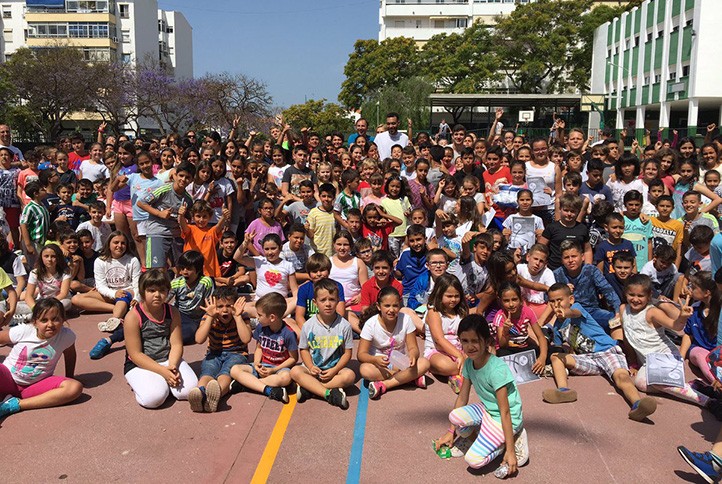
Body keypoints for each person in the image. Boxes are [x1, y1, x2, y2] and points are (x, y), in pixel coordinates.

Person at [539, 283, 657, 422]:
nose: (556, 304)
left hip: (607, 351)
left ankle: (637, 404)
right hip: (589, 359)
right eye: (552, 301)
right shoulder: (557, 326)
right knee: (556, 357)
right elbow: (563, 346)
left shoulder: (576, 308)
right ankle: (564, 391)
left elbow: (573, 313)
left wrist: (565, 313)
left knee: (621, 377)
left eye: (560, 300)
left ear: (570, 300)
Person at [433, 314, 528, 476]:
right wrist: (450, 432)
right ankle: (488, 436)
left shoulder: (496, 370)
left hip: (507, 418)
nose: (470, 347)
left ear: (486, 341)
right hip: (488, 410)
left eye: (475, 341)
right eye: (465, 341)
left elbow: (505, 411)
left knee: (473, 460)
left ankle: (507, 443)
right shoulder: (469, 363)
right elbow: (463, 397)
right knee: (455, 417)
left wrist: (510, 452)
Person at [621, 274, 722, 418]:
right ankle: (694, 387)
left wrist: (682, 317)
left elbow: (675, 325)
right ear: (625, 293)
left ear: (649, 296)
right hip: (649, 362)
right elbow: (627, 338)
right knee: (642, 384)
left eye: (640, 295)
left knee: (650, 381)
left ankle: (708, 402)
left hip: (666, 355)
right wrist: (632, 362)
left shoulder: (652, 312)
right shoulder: (623, 309)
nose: (635, 299)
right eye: (631, 294)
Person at [123, 269, 198, 409]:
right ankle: (141, 381)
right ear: (142, 292)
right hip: (142, 364)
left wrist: (172, 366)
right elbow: (135, 354)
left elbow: (176, 344)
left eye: (162, 290)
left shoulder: (172, 311)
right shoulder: (133, 317)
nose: (157, 295)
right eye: (151, 290)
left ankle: (163, 382)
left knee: (189, 391)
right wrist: (162, 371)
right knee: (154, 398)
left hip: (168, 360)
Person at [0, 298, 83, 420]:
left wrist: (70, 376)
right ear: (35, 322)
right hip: (8, 378)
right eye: (44, 320)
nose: (50, 324)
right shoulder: (24, 331)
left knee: (75, 388)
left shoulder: (67, 336)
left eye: (55, 319)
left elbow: (70, 355)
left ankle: (14, 405)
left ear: (63, 320)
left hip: (35, 385)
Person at [290, 278, 355, 409]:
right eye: (323, 300)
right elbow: (304, 349)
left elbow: (347, 353)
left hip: (334, 370)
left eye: (332, 299)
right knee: (295, 371)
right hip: (313, 369)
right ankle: (327, 393)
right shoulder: (308, 325)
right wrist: (310, 366)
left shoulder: (344, 326)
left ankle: (310, 388)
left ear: (338, 301)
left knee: (349, 376)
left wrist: (335, 370)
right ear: (315, 302)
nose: (328, 304)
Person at [358, 286, 430, 400]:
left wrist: (413, 356)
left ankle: (384, 385)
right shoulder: (370, 324)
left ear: (400, 305)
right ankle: (409, 378)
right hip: (380, 366)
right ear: (378, 306)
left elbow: (413, 348)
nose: (391, 310)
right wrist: (374, 360)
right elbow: (361, 354)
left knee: (425, 363)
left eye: (395, 305)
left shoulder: (406, 320)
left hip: (400, 362)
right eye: (387, 306)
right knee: (364, 370)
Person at [188, 287, 252, 412]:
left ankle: (216, 394)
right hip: (214, 353)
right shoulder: (209, 316)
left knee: (226, 373)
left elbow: (246, 339)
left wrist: (238, 317)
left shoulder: (242, 315)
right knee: (208, 372)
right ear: (214, 306)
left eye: (229, 305)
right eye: (220, 306)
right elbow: (199, 339)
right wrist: (210, 317)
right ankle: (200, 393)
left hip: (236, 353)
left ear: (235, 305)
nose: (224, 310)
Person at [230, 292, 298, 404]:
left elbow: (293, 359)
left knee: (286, 378)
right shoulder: (261, 327)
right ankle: (266, 388)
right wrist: (256, 363)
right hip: (262, 365)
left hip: (278, 368)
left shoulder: (289, 333)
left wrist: (274, 370)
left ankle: (247, 384)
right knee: (234, 370)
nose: (257, 317)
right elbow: (259, 348)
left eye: (260, 315)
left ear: (272, 317)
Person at [137, 161, 195, 270]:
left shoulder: (188, 199)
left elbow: (189, 218)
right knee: (156, 269)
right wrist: (159, 213)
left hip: (176, 236)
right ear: (175, 175)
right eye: (181, 176)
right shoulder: (164, 189)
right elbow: (141, 203)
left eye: (187, 177)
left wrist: (184, 216)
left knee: (180, 270)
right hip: (157, 232)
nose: (183, 179)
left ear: (191, 180)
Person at [424, 274, 468, 394]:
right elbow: (439, 340)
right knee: (445, 366)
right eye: (449, 296)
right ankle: (463, 373)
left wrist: (465, 353)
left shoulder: (461, 311)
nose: (453, 299)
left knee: (485, 355)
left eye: (456, 296)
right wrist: (459, 356)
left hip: (459, 349)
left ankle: (457, 376)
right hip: (437, 351)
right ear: (439, 294)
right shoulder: (434, 312)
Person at [170, 250, 215, 345]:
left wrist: (208, 317)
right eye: (182, 268)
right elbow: (165, 300)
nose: (184, 272)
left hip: (198, 316)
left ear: (198, 270)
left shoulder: (206, 282)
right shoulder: (176, 283)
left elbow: (210, 303)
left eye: (189, 269)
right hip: (180, 314)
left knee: (189, 334)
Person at [178, 200, 229, 278]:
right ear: (193, 217)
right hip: (191, 272)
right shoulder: (190, 229)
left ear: (210, 217)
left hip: (208, 272)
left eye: (205, 216)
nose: (201, 220)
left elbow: (219, 226)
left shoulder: (211, 231)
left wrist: (224, 217)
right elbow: (183, 226)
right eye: (198, 216)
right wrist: (181, 215)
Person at [306, 183, 337, 257]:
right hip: (318, 252)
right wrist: (306, 229)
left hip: (333, 252)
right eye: (323, 196)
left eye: (329, 196)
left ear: (333, 197)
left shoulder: (336, 213)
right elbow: (311, 235)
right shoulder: (313, 213)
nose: (326, 199)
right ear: (319, 197)